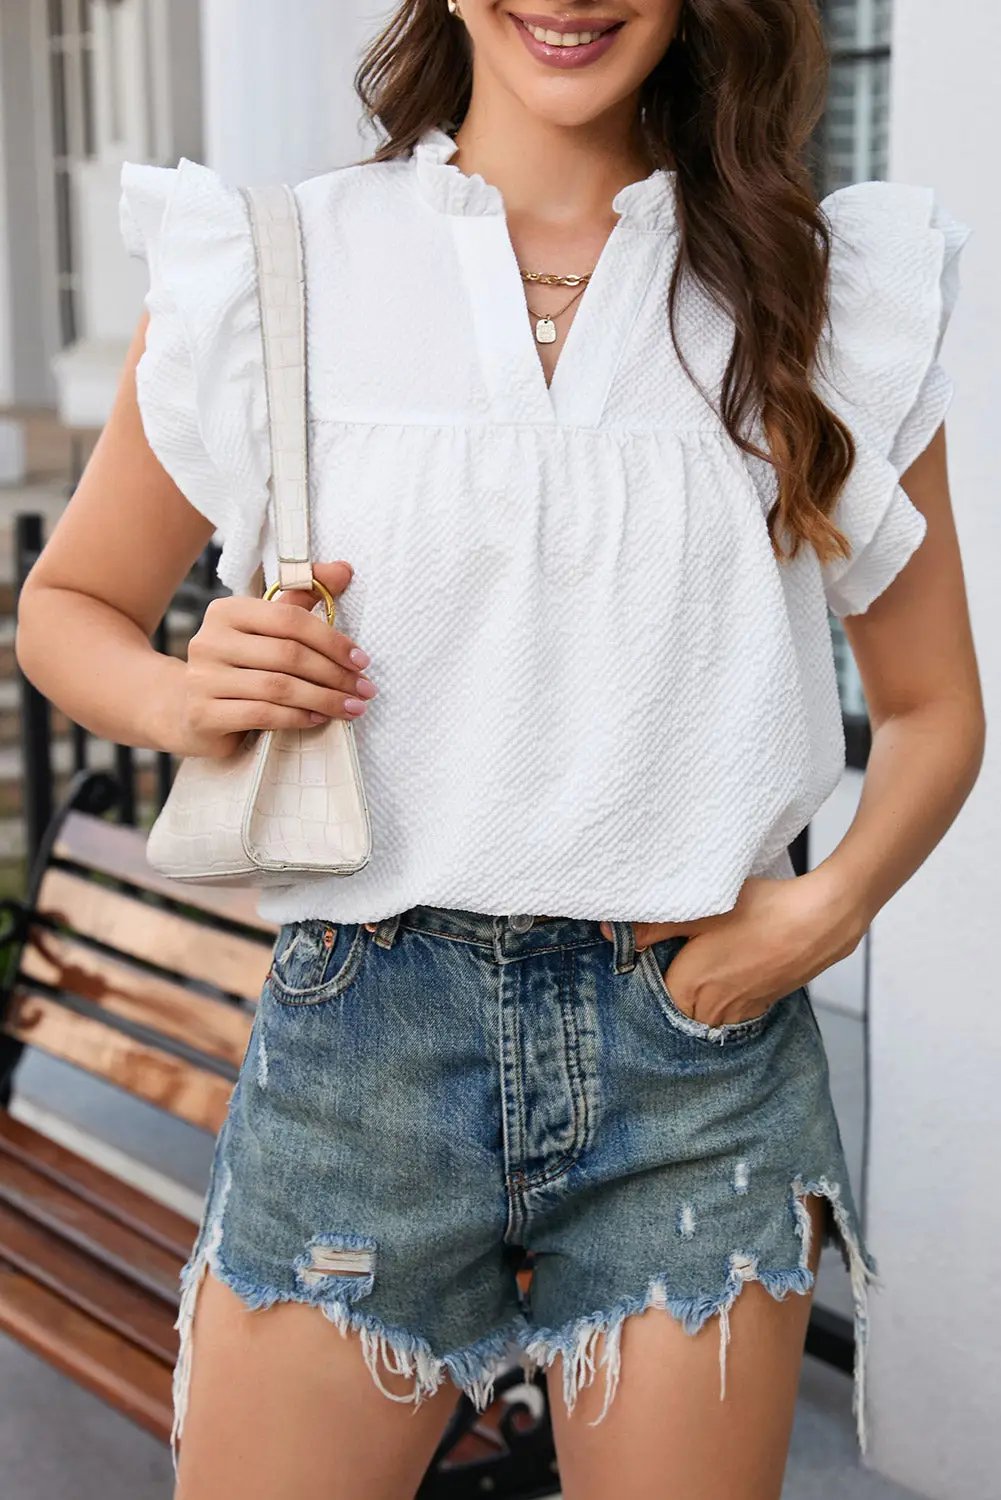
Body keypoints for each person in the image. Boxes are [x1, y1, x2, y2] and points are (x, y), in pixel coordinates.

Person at [15, 2, 984, 1497]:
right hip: (361, 1051)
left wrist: (818, 914)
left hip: (695, 1058)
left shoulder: (816, 290)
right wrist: (184, 694)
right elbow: (69, 608)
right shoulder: (282, 264)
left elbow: (930, 707)